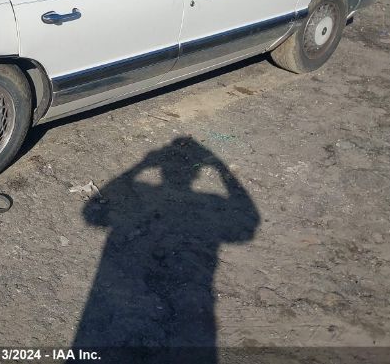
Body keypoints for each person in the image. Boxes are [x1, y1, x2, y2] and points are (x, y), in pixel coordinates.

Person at [73, 137, 260, 362]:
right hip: (190, 309)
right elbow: (248, 224)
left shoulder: (146, 190)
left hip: (121, 300)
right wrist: (220, 167)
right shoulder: (210, 200)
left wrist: (140, 165)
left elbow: (90, 213)